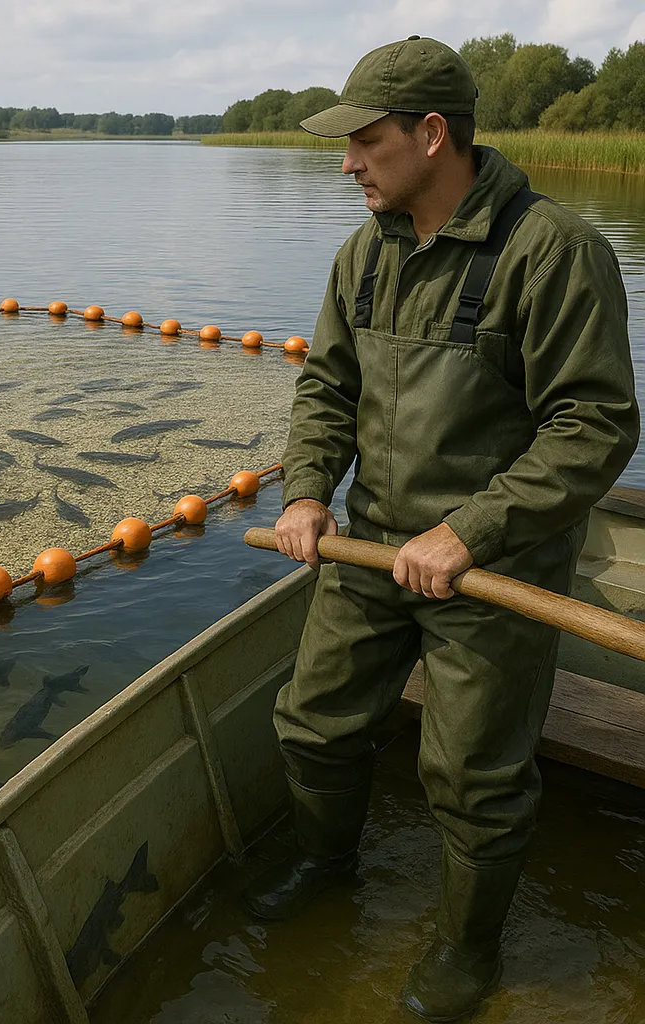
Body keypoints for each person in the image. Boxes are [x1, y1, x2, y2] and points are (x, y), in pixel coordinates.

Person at [240, 35, 640, 1022]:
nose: (346, 164)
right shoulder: (362, 252)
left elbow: (594, 426)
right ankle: (328, 870)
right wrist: (302, 494)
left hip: (491, 567)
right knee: (310, 722)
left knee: (471, 778)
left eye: (364, 142)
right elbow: (328, 386)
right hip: (370, 543)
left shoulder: (554, 251)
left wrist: (468, 531)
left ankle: (466, 947)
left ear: (430, 135)